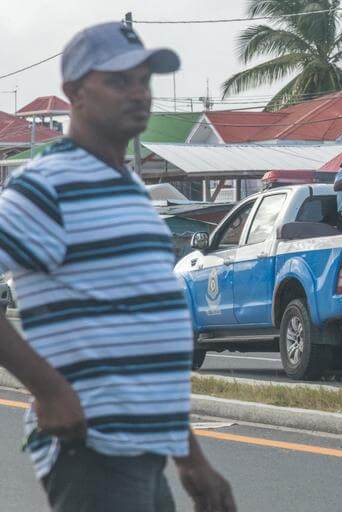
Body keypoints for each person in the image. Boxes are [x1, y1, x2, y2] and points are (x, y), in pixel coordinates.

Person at [0, 22, 235, 511]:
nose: (138, 93)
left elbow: (145, 333)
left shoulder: (128, 187)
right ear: (75, 93)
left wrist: (189, 457)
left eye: (144, 81)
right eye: (119, 80)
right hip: (92, 446)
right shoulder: (47, 184)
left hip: (141, 449)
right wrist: (48, 389)